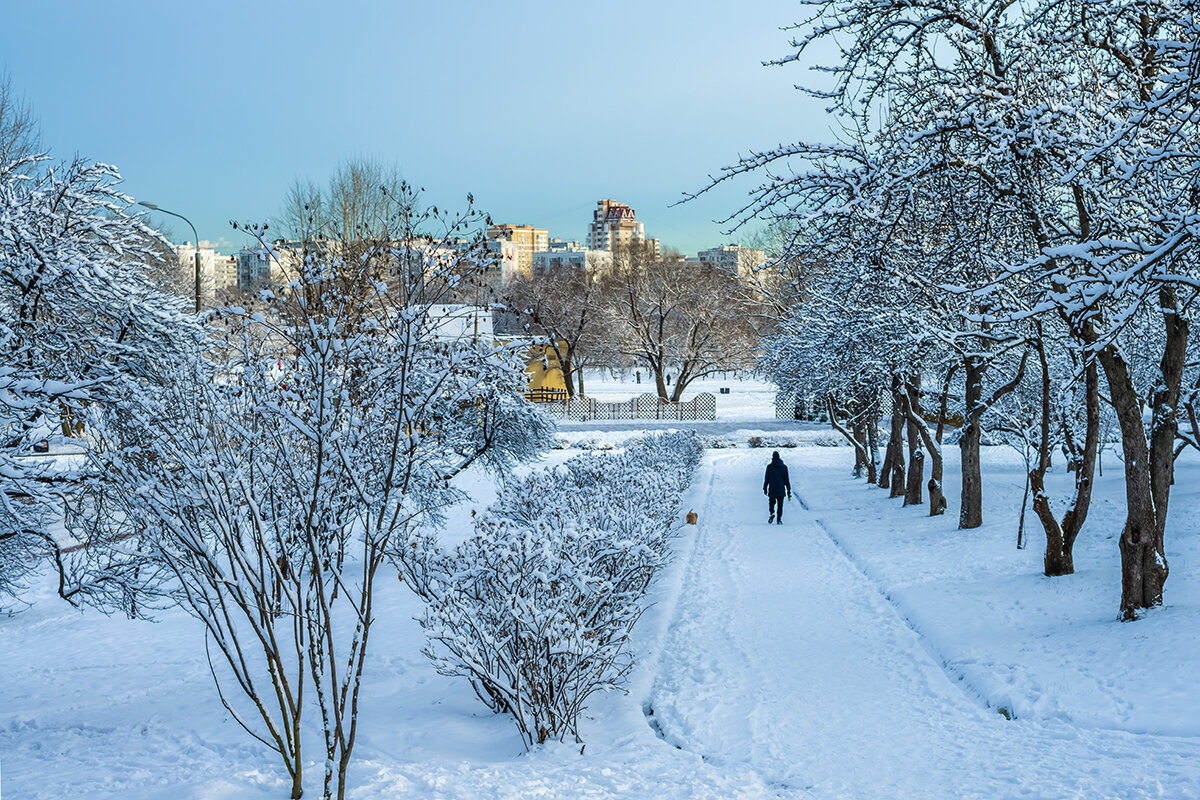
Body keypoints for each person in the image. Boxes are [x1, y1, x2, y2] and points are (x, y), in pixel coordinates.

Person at [763, 450, 792, 525]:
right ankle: (779, 519)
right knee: (780, 504)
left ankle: (772, 512)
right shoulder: (784, 467)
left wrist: (765, 488)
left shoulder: (769, 467)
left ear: (772, 457)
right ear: (779, 457)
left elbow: (767, 479)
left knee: (771, 502)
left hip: (772, 489)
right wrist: (788, 490)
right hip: (781, 489)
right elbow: (786, 480)